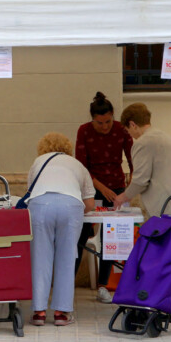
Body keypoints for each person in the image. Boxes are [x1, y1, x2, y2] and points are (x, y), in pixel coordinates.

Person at [26, 133, 95, 326]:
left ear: (42, 148)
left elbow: (31, 191)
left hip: (40, 205)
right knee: (66, 258)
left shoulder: (38, 162)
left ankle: (39, 312)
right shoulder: (78, 165)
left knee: (40, 257)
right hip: (71, 205)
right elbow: (89, 203)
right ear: (68, 148)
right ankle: (61, 313)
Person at [74, 92, 133, 304]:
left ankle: (103, 285)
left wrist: (131, 184)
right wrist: (100, 187)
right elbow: (81, 167)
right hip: (90, 187)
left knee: (112, 238)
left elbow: (133, 158)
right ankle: (69, 283)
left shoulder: (121, 130)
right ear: (92, 119)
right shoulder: (84, 131)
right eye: (100, 123)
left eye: (108, 121)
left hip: (116, 188)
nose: (105, 127)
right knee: (82, 234)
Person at [115, 103, 171, 216]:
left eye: (127, 130)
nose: (129, 134)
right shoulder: (167, 138)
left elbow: (140, 181)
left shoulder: (143, 143)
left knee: (162, 229)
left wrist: (123, 197)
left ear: (132, 124)